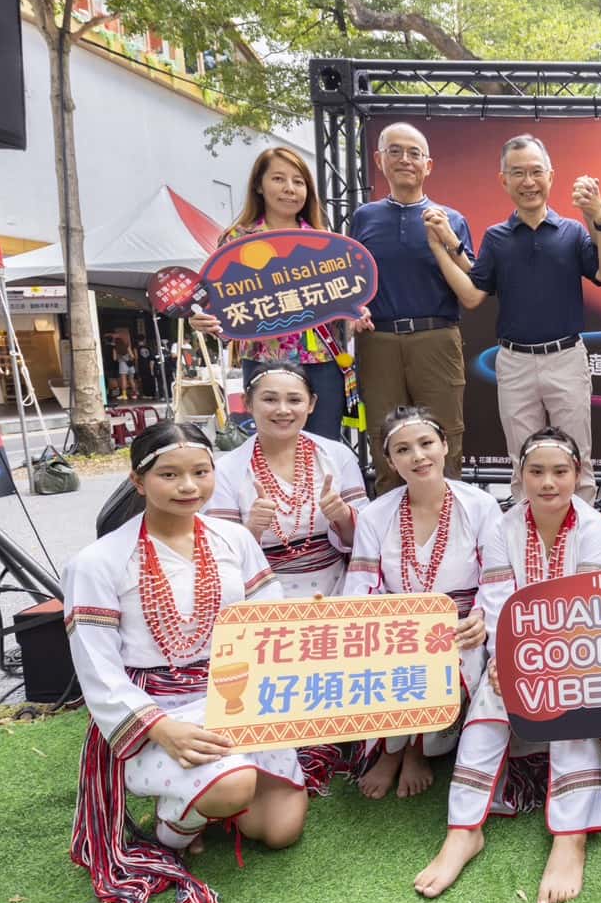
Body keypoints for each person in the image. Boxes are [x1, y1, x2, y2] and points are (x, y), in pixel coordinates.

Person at [48, 422, 309, 903]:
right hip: (157, 709)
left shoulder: (233, 539)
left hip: (235, 693)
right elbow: (97, 669)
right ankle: (171, 834)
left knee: (281, 830)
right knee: (233, 787)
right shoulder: (97, 562)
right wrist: (161, 729)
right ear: (138, 481)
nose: (189, 486)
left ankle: (205, 796)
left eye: (200, 472)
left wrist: (311, 624)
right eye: (169, 474)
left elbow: (269, 616)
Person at [416, 428, 601, 903]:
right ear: (520, 476)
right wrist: (509, 663)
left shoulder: (593, 528)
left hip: (581, 655)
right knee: (490, 703)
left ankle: (571, 839)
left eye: (560, 471)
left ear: (578, 475)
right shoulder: (503, 527)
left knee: (573, 706)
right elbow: (498, 601)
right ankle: (463, 831)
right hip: (515, 653)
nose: (548, 482)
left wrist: (552, 665)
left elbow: (591, 608)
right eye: (537, 471)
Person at [427, 135, 601, 503]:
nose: (528, 182)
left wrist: (599, 216)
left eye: (535, 172)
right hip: (514, 362)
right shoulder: (497, 239)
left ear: (550, 176)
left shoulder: (573, 233)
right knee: (523, 460)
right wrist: (443, 246)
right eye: (518, 173)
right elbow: (473, 291)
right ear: (504, 180)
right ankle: (525, 544)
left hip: (566, 357)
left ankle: (582, 547)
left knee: (576, 457)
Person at [343, 406, 497, 798]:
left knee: (450, 664)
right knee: (389, 663)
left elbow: (496, 579)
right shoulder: (376, 514)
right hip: (396, 627)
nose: (418, 456)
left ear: (445, 446)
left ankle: (418, 751)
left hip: (459, 624)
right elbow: (362, 586)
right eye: (404, 449)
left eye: (426, 443)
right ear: (390, 460)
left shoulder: (480, 506)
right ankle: (393, 750)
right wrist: (382, 628)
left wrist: (480, 618)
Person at [189, 147, 360, 441]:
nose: (289, 189)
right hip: (263, 360)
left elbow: (345, 302)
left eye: (298, 181)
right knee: (272, 450)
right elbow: (221, 307)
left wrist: (356, 313)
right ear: (259, 184)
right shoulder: (236, 241)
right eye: (279, 179)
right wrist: (204, 322)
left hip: (322, 361)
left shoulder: (325, 242)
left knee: (324, 448)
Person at [351, 124, 475, 488]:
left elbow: (476, 284)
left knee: (445, 432)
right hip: (379, 341)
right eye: (395, 151)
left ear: (428, 165)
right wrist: (354, 308)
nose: (405, 160)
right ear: (379, 160)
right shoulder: (364, 217)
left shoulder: (451, 219)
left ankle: (450, 518)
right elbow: (350, 279)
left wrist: (449, 242)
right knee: (384, 433)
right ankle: (392, 524)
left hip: (436, 337)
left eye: (414, 153)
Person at [205, 362, 368, 598]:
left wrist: (343, 516)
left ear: (311, 404)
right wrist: (251, 530)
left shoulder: (336, 456)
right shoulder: (226, 470)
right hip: (261, 595)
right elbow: (220, 557)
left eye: (294, 400)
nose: (283, 410)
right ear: (248, 403)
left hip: (339, 591)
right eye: (270, 400)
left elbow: (366, 541)